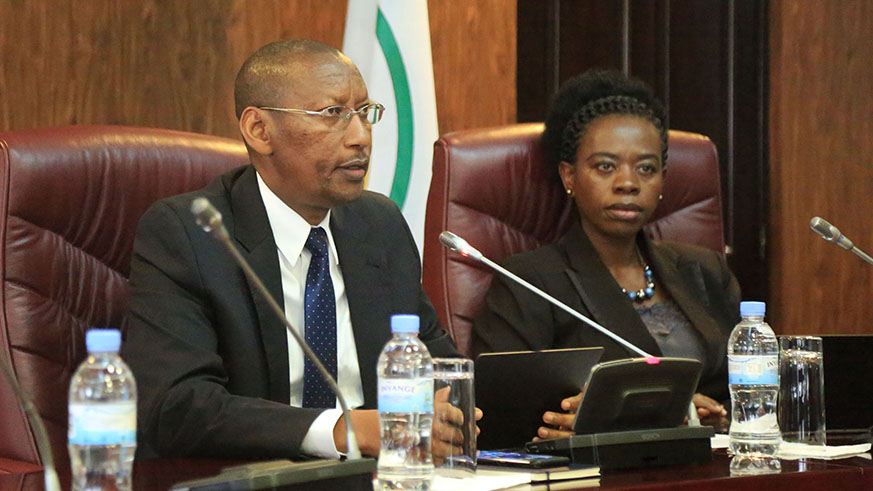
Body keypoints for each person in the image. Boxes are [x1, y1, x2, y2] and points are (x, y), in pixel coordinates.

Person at [123, 39, 475, 460]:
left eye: (365, 113)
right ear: (259, 130)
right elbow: (176, 406)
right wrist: (346, 431)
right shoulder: (188, 235)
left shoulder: (378, 224)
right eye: (333, 114)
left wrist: (450, 409)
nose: (361, 137)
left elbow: (437, 365)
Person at [472, 69, 740, 440]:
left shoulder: (704, 271)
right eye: (605, 166)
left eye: (646, 168)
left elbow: (754, 391)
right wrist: (629, 416)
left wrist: (720, 416)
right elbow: (497, 415)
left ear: (663, 179)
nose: (628, 183)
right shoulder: (527, 283)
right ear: (569, 176)